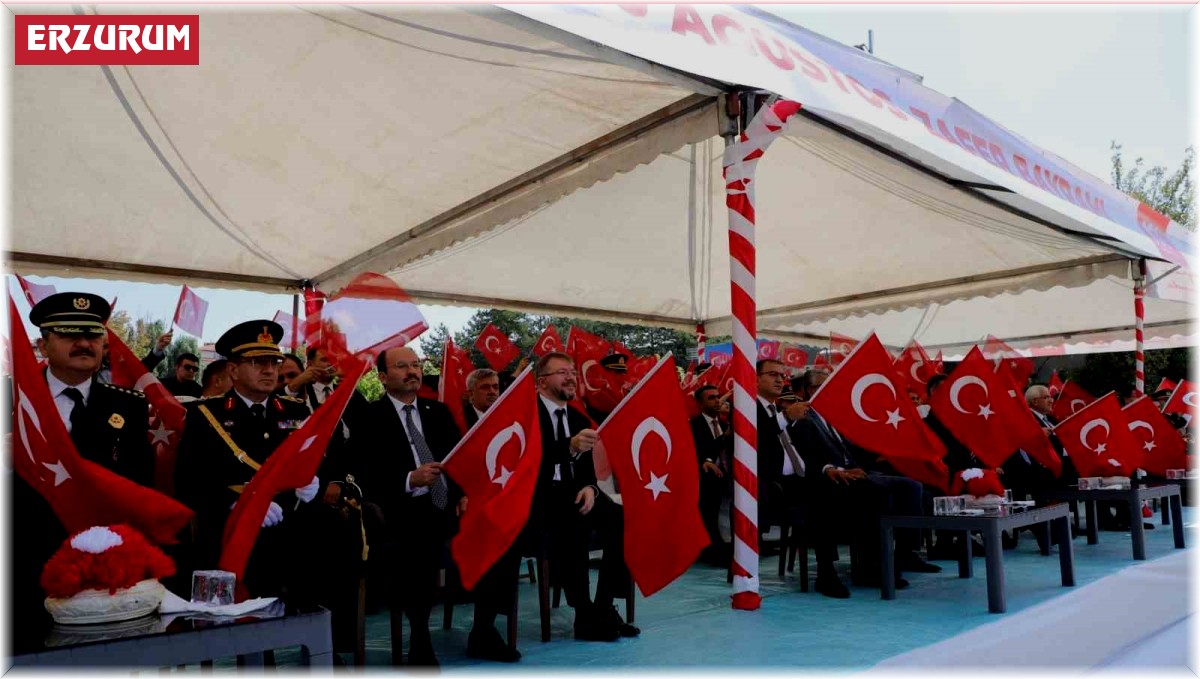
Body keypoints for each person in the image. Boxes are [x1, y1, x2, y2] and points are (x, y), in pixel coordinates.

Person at [173, 321, 364, 657]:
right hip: (233, 527)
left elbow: (317, 461)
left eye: (273, 363)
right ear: (232, 370)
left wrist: (314, 483)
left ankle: (327, 644)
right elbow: (189, 481)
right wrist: (237, 504)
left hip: (292, 521)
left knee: (338, 530)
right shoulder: (207, 415)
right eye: (257, 362)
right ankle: (258, 656)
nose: (268, 370)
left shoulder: (292, 411)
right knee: (265, 553)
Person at [12, 292, 159, 621]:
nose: (83, 343)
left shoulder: (129, 405)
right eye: (68, 334)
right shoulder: (13, 398)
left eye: (92, 335)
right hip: (25, 554)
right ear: (43, 345)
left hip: (103, 561)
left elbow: (140, 482)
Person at [352, 346, 463, 666]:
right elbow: (362, 473)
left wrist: (463, 492)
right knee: (420, 543)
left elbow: (459, 459)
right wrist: (408, 479)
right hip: (398, 511)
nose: (413, 371)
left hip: (445, 505)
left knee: (497, 528)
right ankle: (420, 636)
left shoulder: (438, 412)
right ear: (383, 377)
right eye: (403, 366)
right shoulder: (369, 417)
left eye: (416, 365)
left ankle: (485, 629)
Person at [790, 367, 940, 593]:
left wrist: (885, 449)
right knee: (879, 493)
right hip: (831, 480)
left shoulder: (835, 417)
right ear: (811, 390)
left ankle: (906, 553)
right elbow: (807, 454)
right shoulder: (803, 419)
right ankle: (871, 566)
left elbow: (855, 451)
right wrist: (834, 468)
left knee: (912, 486)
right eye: (824, 385)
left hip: (858, 472)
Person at [527, 351, 637, 641]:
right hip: (537, 499)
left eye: (573, 372)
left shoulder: (577, 416)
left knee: (623, 520)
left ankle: (604, 605)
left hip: (574, 493)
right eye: (562, 372)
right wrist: (569, 447)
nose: (571, 377)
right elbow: (527, 460)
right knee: (574, 523)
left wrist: (589, 487)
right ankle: (584, 614)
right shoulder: (526, 414)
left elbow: (587, 469)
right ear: (541, 381)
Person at [689, 385, 731, 566]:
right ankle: (713, 549)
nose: (717, 401)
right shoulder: (693, 425)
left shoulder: (724, 425)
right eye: (711, 398)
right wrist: (705, 460)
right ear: (699, 403)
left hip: (729, 476)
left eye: (718, 396)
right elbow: (693, 452)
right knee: (709, 505)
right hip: (705, 479)